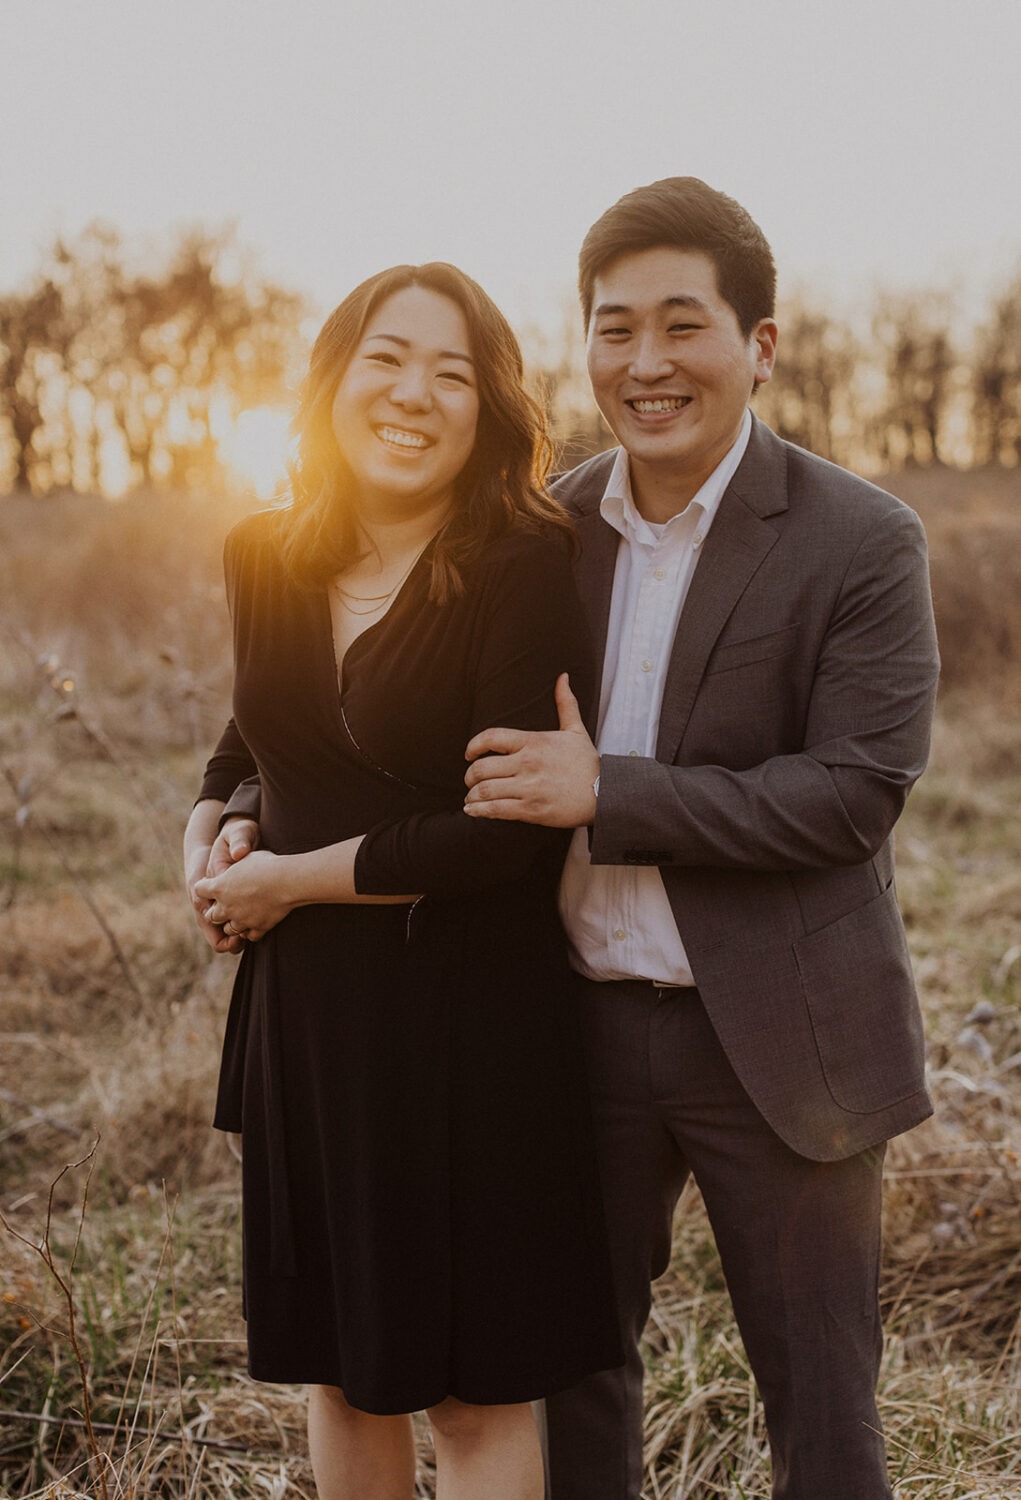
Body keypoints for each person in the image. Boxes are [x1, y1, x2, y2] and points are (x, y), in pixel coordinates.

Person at [458, 179, 941, 1500]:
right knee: (570, 1384)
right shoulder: (539, 530)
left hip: (786, 1039)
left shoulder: (862, 539)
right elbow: (402, 706)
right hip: (570, 1027)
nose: (646, 363)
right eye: (614, 329)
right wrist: (242, 805)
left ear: (759, 343)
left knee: (821, 1408)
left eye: (683, 325)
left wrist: (606, 793)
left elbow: (850, 795)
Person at [182, 262, 621, 1500]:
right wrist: (206, 842)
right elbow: (248, 741)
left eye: (450, 373)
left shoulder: (526, 562)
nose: (412, 393)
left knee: (473, 1396)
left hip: (469, 1023)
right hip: (309, 1023)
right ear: (334, 380)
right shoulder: (261, 552)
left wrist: (287, 883)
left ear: (488, 408)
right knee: (339, 1373)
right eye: (385, 359)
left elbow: (499, 834)